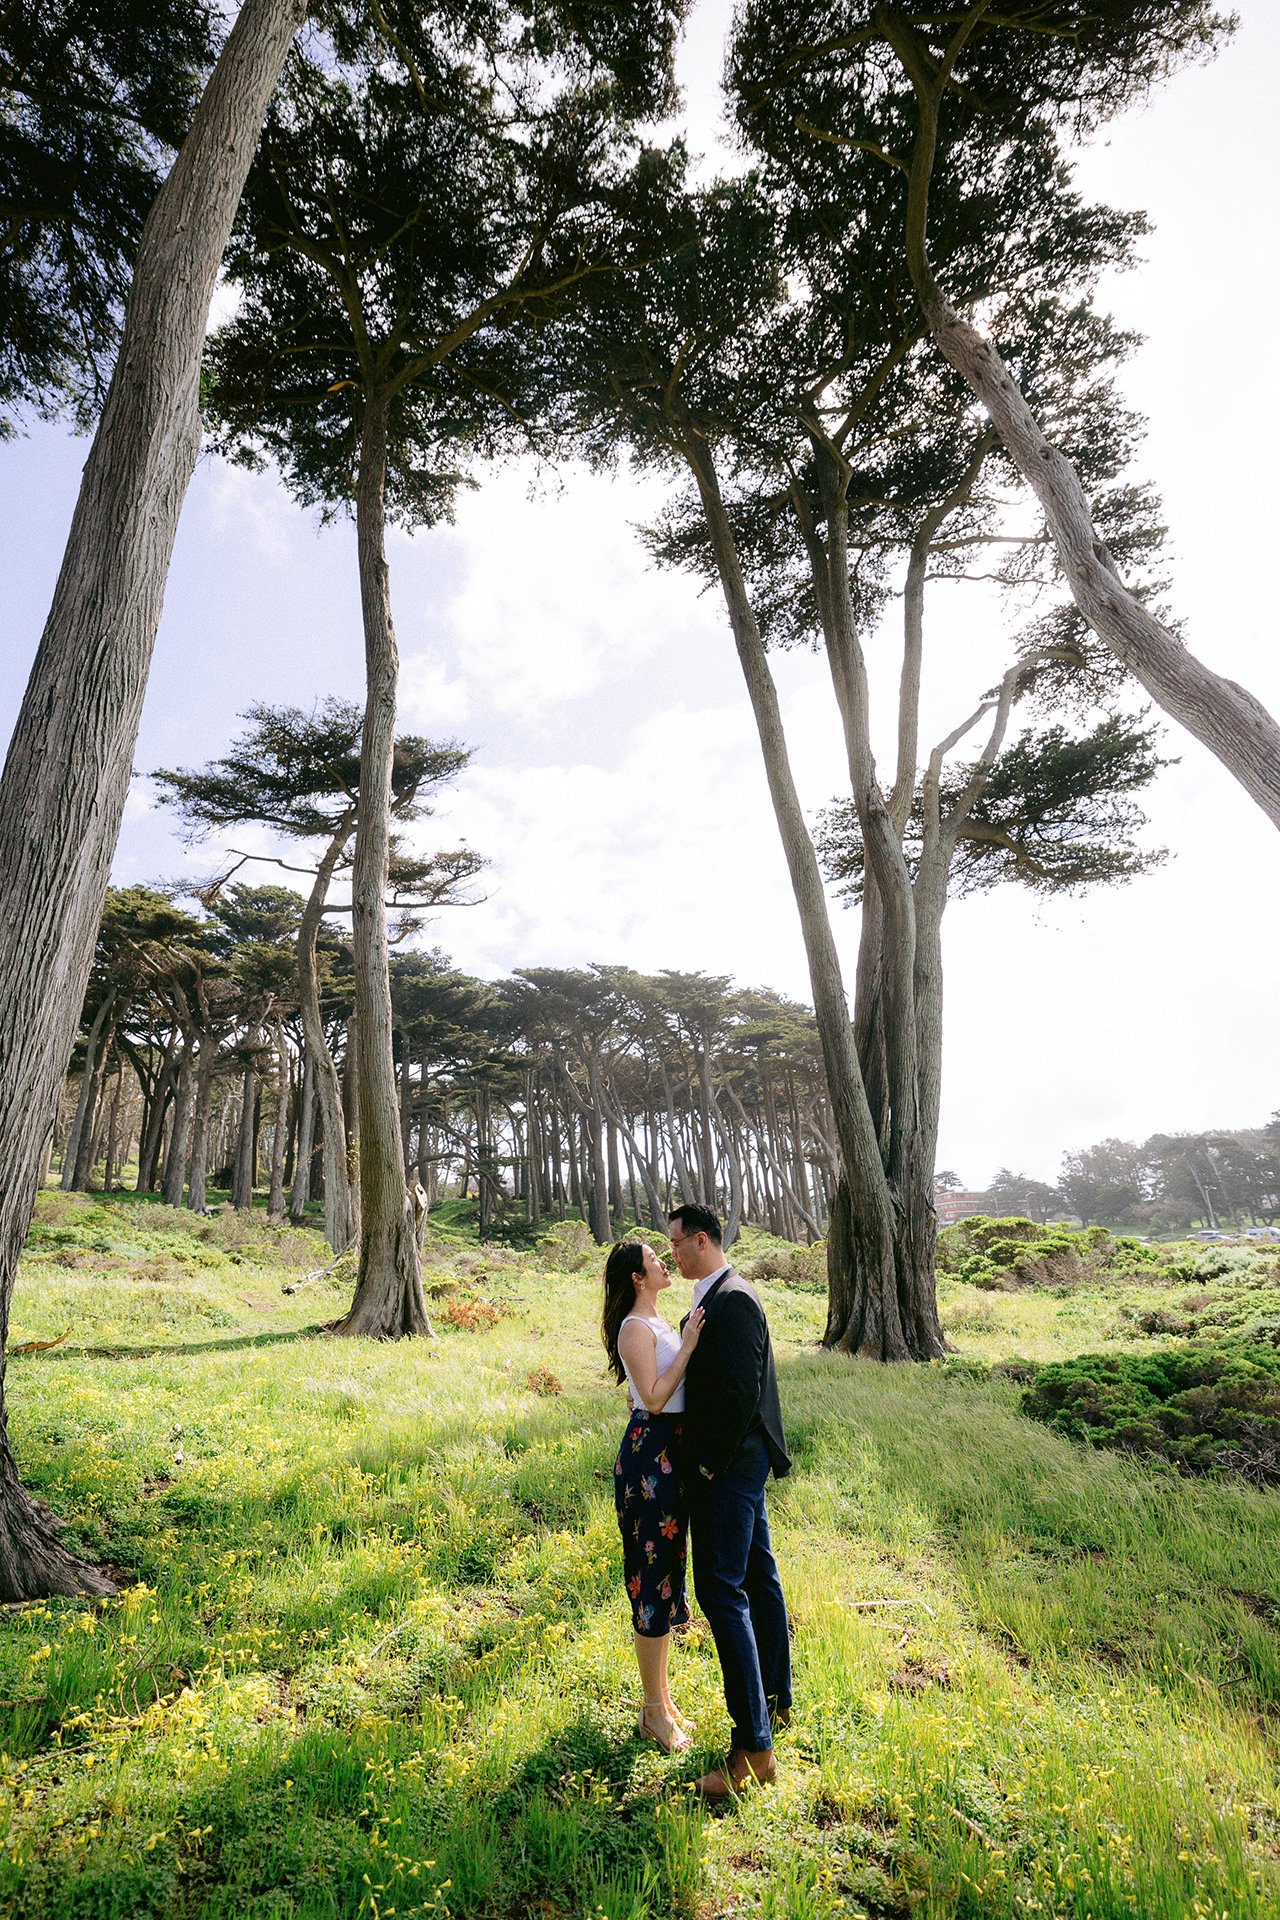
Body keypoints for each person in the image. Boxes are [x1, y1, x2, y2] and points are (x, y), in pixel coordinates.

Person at [668, 1201, 792, 1801]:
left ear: (701, 1240)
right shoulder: (707, 1296)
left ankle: (755, 1749)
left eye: (676, 1244)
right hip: (739, 1464)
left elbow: (742, 1394)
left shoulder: (734, 1299)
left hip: (732, 1466)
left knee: (721, 1590)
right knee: (758, 1576)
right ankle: (775, 1702)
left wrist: (710, 1465)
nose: (671, 1254)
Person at [602, 1239, 705, 1754]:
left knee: (665, 1576)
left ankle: (660, 1699)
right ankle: (650, 1713)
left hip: (670, 1458)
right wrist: (687, 1345)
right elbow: (655, 1397)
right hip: (650, 1461)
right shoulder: (634, 1328)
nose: (665, 1262)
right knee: (651, 1581)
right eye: (654, 1261)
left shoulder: (657, 1323)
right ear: (637, 1279)